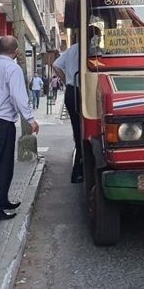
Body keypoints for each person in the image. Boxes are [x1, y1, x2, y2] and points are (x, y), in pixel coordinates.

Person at [0, 36, 39, 222]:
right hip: (2, 122)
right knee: (3, 165)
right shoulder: (13, 68)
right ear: (16, 51)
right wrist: (30, 119)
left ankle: (2, 200)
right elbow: (18, 96)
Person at [52, 39, 82, 183]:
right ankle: (79, 169)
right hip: (81, 92)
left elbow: (56, 65)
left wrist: (66, 80)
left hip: (71, 91)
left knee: (77, 131)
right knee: (83, 132)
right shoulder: (90, 50)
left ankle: (77, 170)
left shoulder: (71, 49)